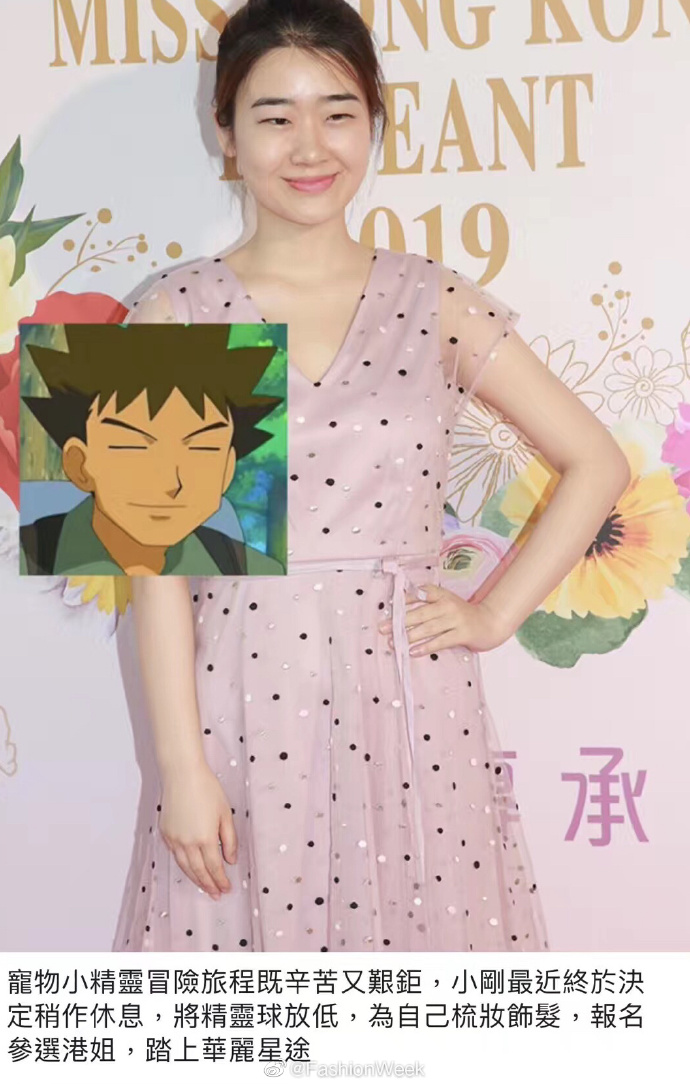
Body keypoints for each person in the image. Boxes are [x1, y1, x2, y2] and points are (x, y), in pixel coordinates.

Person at [112, 0, 630, 952]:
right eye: (275, 116)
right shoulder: (174, 313)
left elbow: (598, 461)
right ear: (225, 133)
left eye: (338, 112)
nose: (310, 146)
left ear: (375, 123)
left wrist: (492, 614)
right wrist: (181, 768)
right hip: (240, 698)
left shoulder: (433, 299)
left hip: (413, 698)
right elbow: (154, 567)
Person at [19, 324, 286, 576]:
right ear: (80, 465)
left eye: (202, 449)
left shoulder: (255, 571)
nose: (171, 483)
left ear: (227, 470)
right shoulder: (18, 559)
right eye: (132, 448)